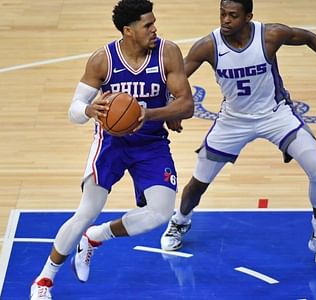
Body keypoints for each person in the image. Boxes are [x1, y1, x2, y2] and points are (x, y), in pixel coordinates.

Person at [160, 0, 316, 272]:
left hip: (275, 114)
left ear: (248, 16)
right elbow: (177, 78)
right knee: (199, 183)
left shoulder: (270, 35)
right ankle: (180, 220)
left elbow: (309, 38)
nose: (225, 20)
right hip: (233, 120)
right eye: (223, 14)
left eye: (233, 16)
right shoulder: (208, 46)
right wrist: (171, 108)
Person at [29, 0, 194, 298]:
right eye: (148, 25)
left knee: (160, 212)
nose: (155, 29)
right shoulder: (102, 60)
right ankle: (44, 280)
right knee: (87, 210)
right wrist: (90, 110)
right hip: (111, 142)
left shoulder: (167, 52)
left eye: (154, 23)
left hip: (151, 143)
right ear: (128, 31)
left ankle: (95, 238)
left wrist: (156, 115)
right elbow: (74, 110)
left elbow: (187, 104)